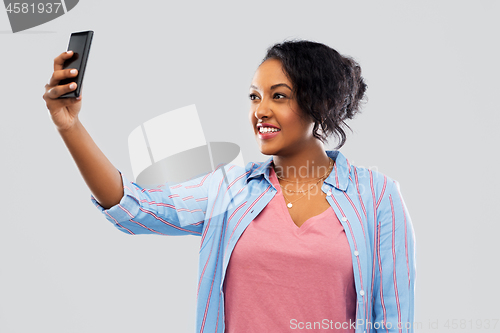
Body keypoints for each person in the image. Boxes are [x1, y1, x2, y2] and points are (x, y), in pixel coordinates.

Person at [43, 40, 416, 333]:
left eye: (279, 96)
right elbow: (134, 208)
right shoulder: (230, 188)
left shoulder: (377, 196)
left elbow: (394, 320)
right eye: (255, 96)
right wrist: (69, 126)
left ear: (321, 104)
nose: (260, 110)